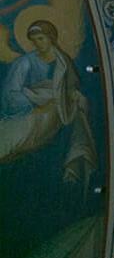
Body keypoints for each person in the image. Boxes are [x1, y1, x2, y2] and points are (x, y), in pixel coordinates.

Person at [0, 19, 94, 179]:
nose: (37, 44)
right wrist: (35, 103)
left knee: (78, 115)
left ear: (51, 38)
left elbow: (71, 88)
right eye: (34, 40)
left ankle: (75, 165)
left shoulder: (64, 63)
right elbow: (10, 95)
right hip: (29, 112)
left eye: (41, 38)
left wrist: (71, 96)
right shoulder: (24, 63)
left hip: (59, 112)